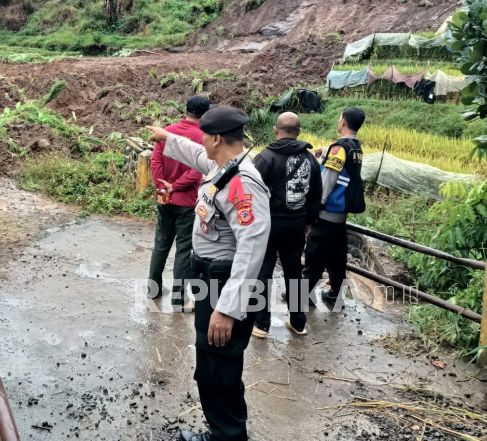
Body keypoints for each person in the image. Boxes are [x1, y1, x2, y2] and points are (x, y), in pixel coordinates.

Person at [146, 106, 271, 441]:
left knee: (220, 365)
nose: (201, 141)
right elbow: (196, 155)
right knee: (210, 361)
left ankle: (228, 436)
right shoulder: (223, 166)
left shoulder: (242, 183)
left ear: (216, 137)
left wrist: (228, 309)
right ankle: (221, 432)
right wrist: (167, 137)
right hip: (210, 278)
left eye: (204, 135)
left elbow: (252, 248)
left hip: (224, 283)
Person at [251, 112, 321, 339]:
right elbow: (315, 195)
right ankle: (298, 322)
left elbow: (250, 193)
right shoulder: (310, 160)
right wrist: (308, 222)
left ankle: (261, 325)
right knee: (294, 272)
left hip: (267, 226)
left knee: (263, 273)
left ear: (275, 130)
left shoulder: (265, 158)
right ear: (299, 131)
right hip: (296, 225)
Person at [148, 96, 210, 311]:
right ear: (206, 114)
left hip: (164, 198)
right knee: (184, 250)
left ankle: (153, 289)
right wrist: (178, 186)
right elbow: (198, 170)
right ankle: (179, 300)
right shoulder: (204, 138)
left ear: (185, 109)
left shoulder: (166, 131)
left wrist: (164, 187)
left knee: (161, 244)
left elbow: (155, 160)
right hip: (188, 202)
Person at [303, 106, 366, 304]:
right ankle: (335, 295)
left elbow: (328, 179)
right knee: (337, 259)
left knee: (313, 257)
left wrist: (315, 206)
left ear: (343, 122)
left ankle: (300, 296)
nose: (338, 121)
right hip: (341, 216)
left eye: (340, 119)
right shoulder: (356, 148)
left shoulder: (339, 148)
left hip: (327, 213)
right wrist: (325, 153)